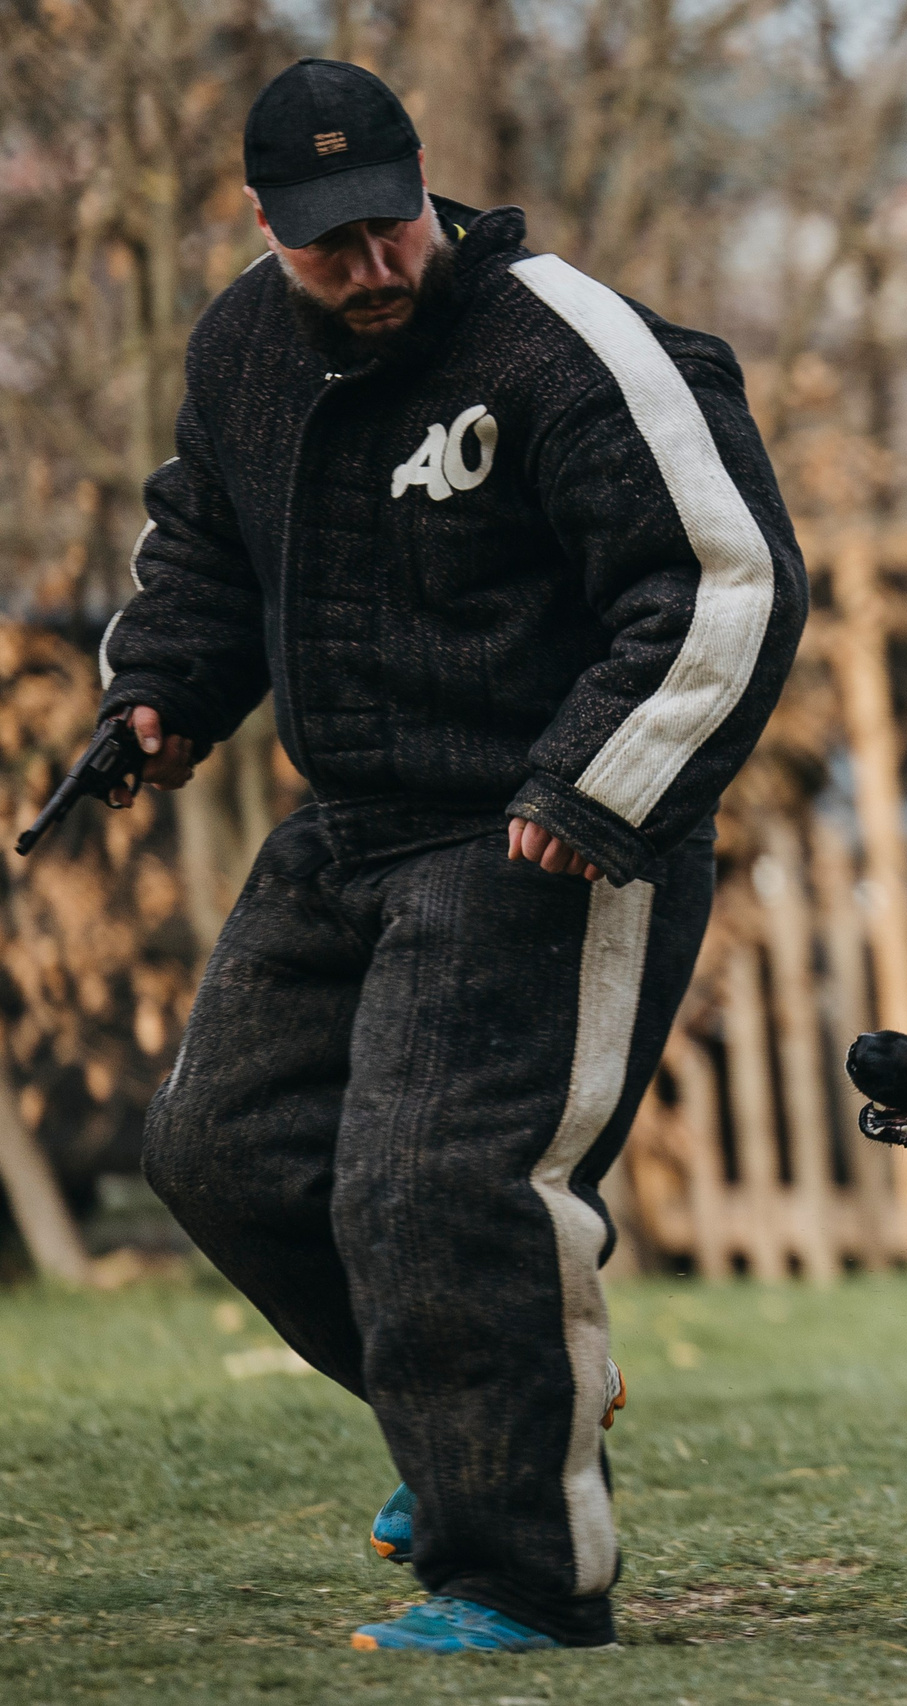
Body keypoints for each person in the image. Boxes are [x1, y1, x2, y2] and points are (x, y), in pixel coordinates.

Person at [99, 59, 807, 1653]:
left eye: (391, 225)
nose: (372, 267)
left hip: (546, 827)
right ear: (269, 227)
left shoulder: (565, 342)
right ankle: (489, 1414)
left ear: (430, 187)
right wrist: (160, 692)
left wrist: (593, 789)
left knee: (434, 1186)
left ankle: (520, 1579)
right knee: (217, 1147)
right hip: (348, 819)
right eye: (328, 243)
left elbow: (727, 582)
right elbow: (202, 539)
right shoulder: (241, 348)